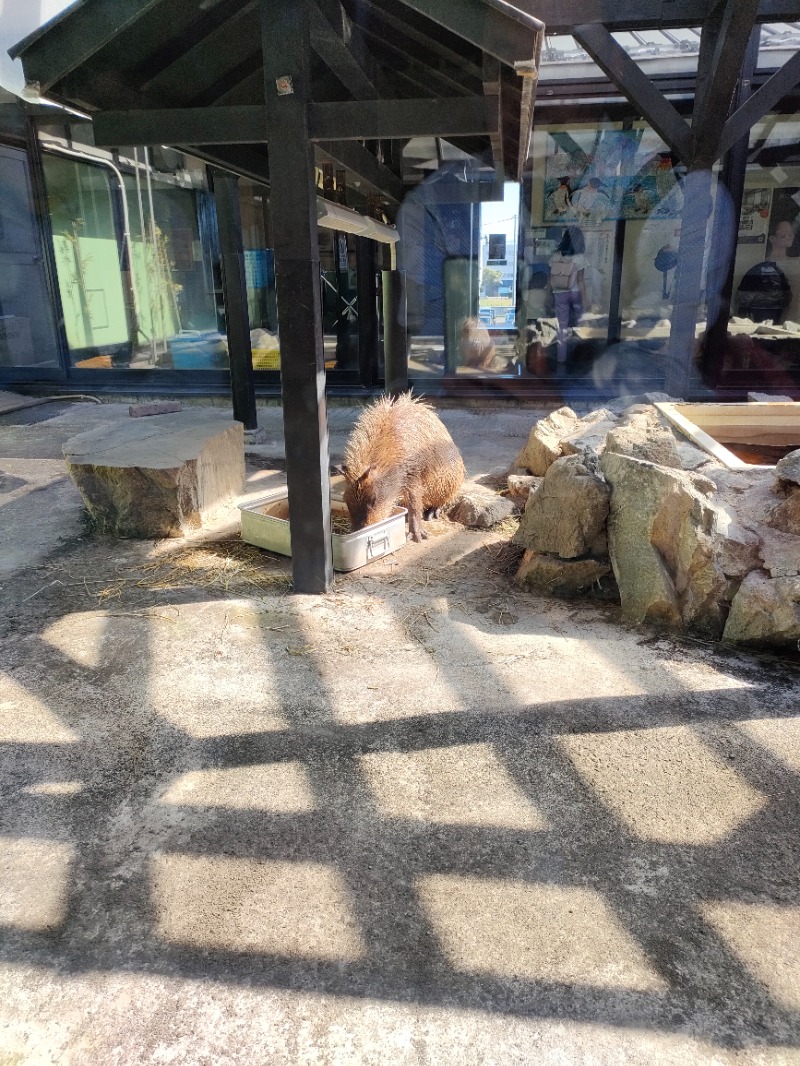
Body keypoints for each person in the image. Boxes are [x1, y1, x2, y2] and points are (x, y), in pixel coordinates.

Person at [549, 226, 587, 367]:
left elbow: (550, 278)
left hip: (559, 293)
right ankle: (577, 357)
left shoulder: (555, 256)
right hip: (575, 292)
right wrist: (585, 300)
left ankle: (561, 358)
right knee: (579, 324)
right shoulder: (579, 258)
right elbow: (581, 281)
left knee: (562, 326)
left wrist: (548, 296)